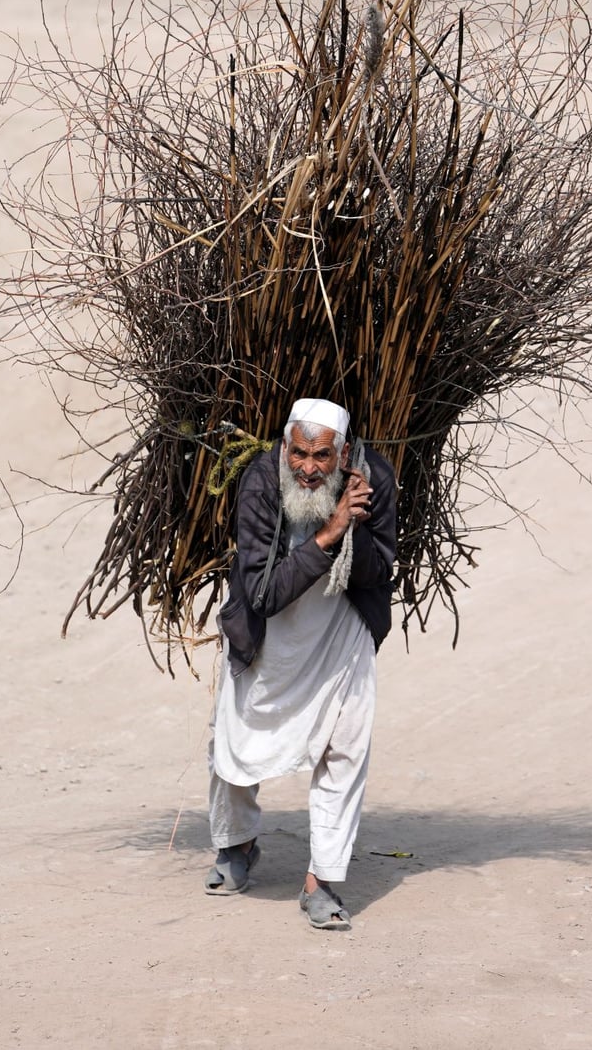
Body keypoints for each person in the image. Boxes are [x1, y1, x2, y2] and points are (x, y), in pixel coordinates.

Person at [205, 397, 398, 929]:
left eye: (321, 456)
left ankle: (323, 879)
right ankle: (237, 845)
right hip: (268, 635)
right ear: (284, 445)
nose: (309, 469)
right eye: (299, 454)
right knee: (235, 742)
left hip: (340, 631)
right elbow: (263, 594)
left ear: (342, 452)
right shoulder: (260, 483)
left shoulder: (373, 477)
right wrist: (331, 532)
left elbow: (382, 571)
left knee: (345, 748)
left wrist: (353, 530)